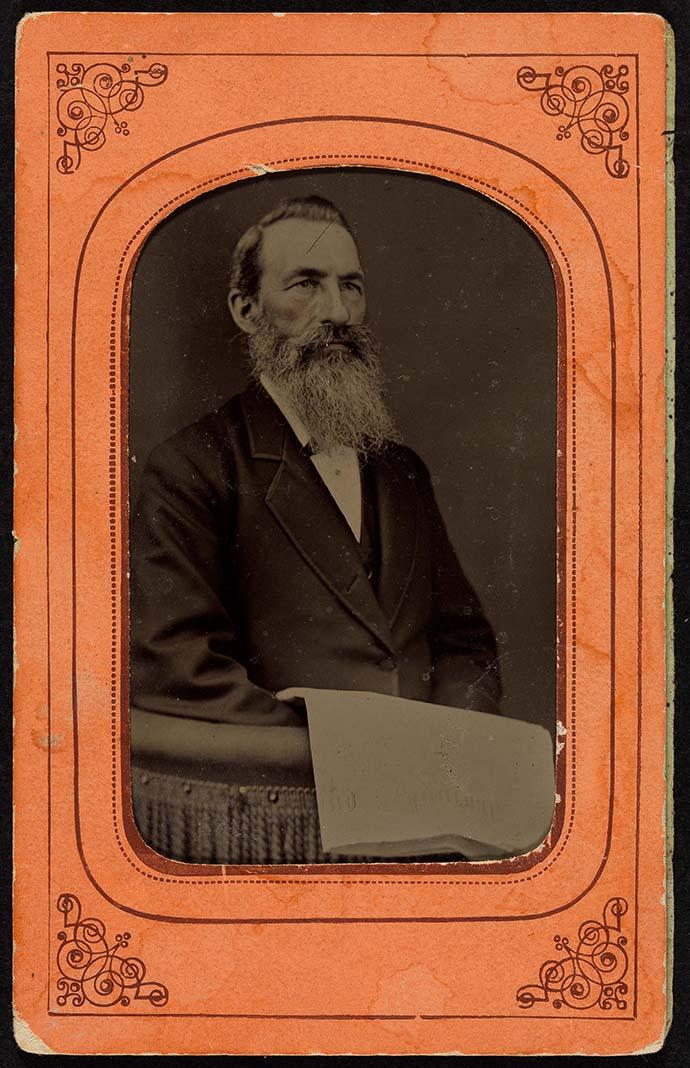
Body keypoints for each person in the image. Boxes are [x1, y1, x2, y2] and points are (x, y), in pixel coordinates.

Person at [130, 195, 501, 864]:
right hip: (293, 822)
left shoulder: (402, 472)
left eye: (350, 286)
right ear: (246, 310)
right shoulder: (190, 468)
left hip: (434, 822)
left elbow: (465, 642)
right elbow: (178, 666)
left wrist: (452, 740)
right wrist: (354, 753)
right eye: (306, 283)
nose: (336, 311)